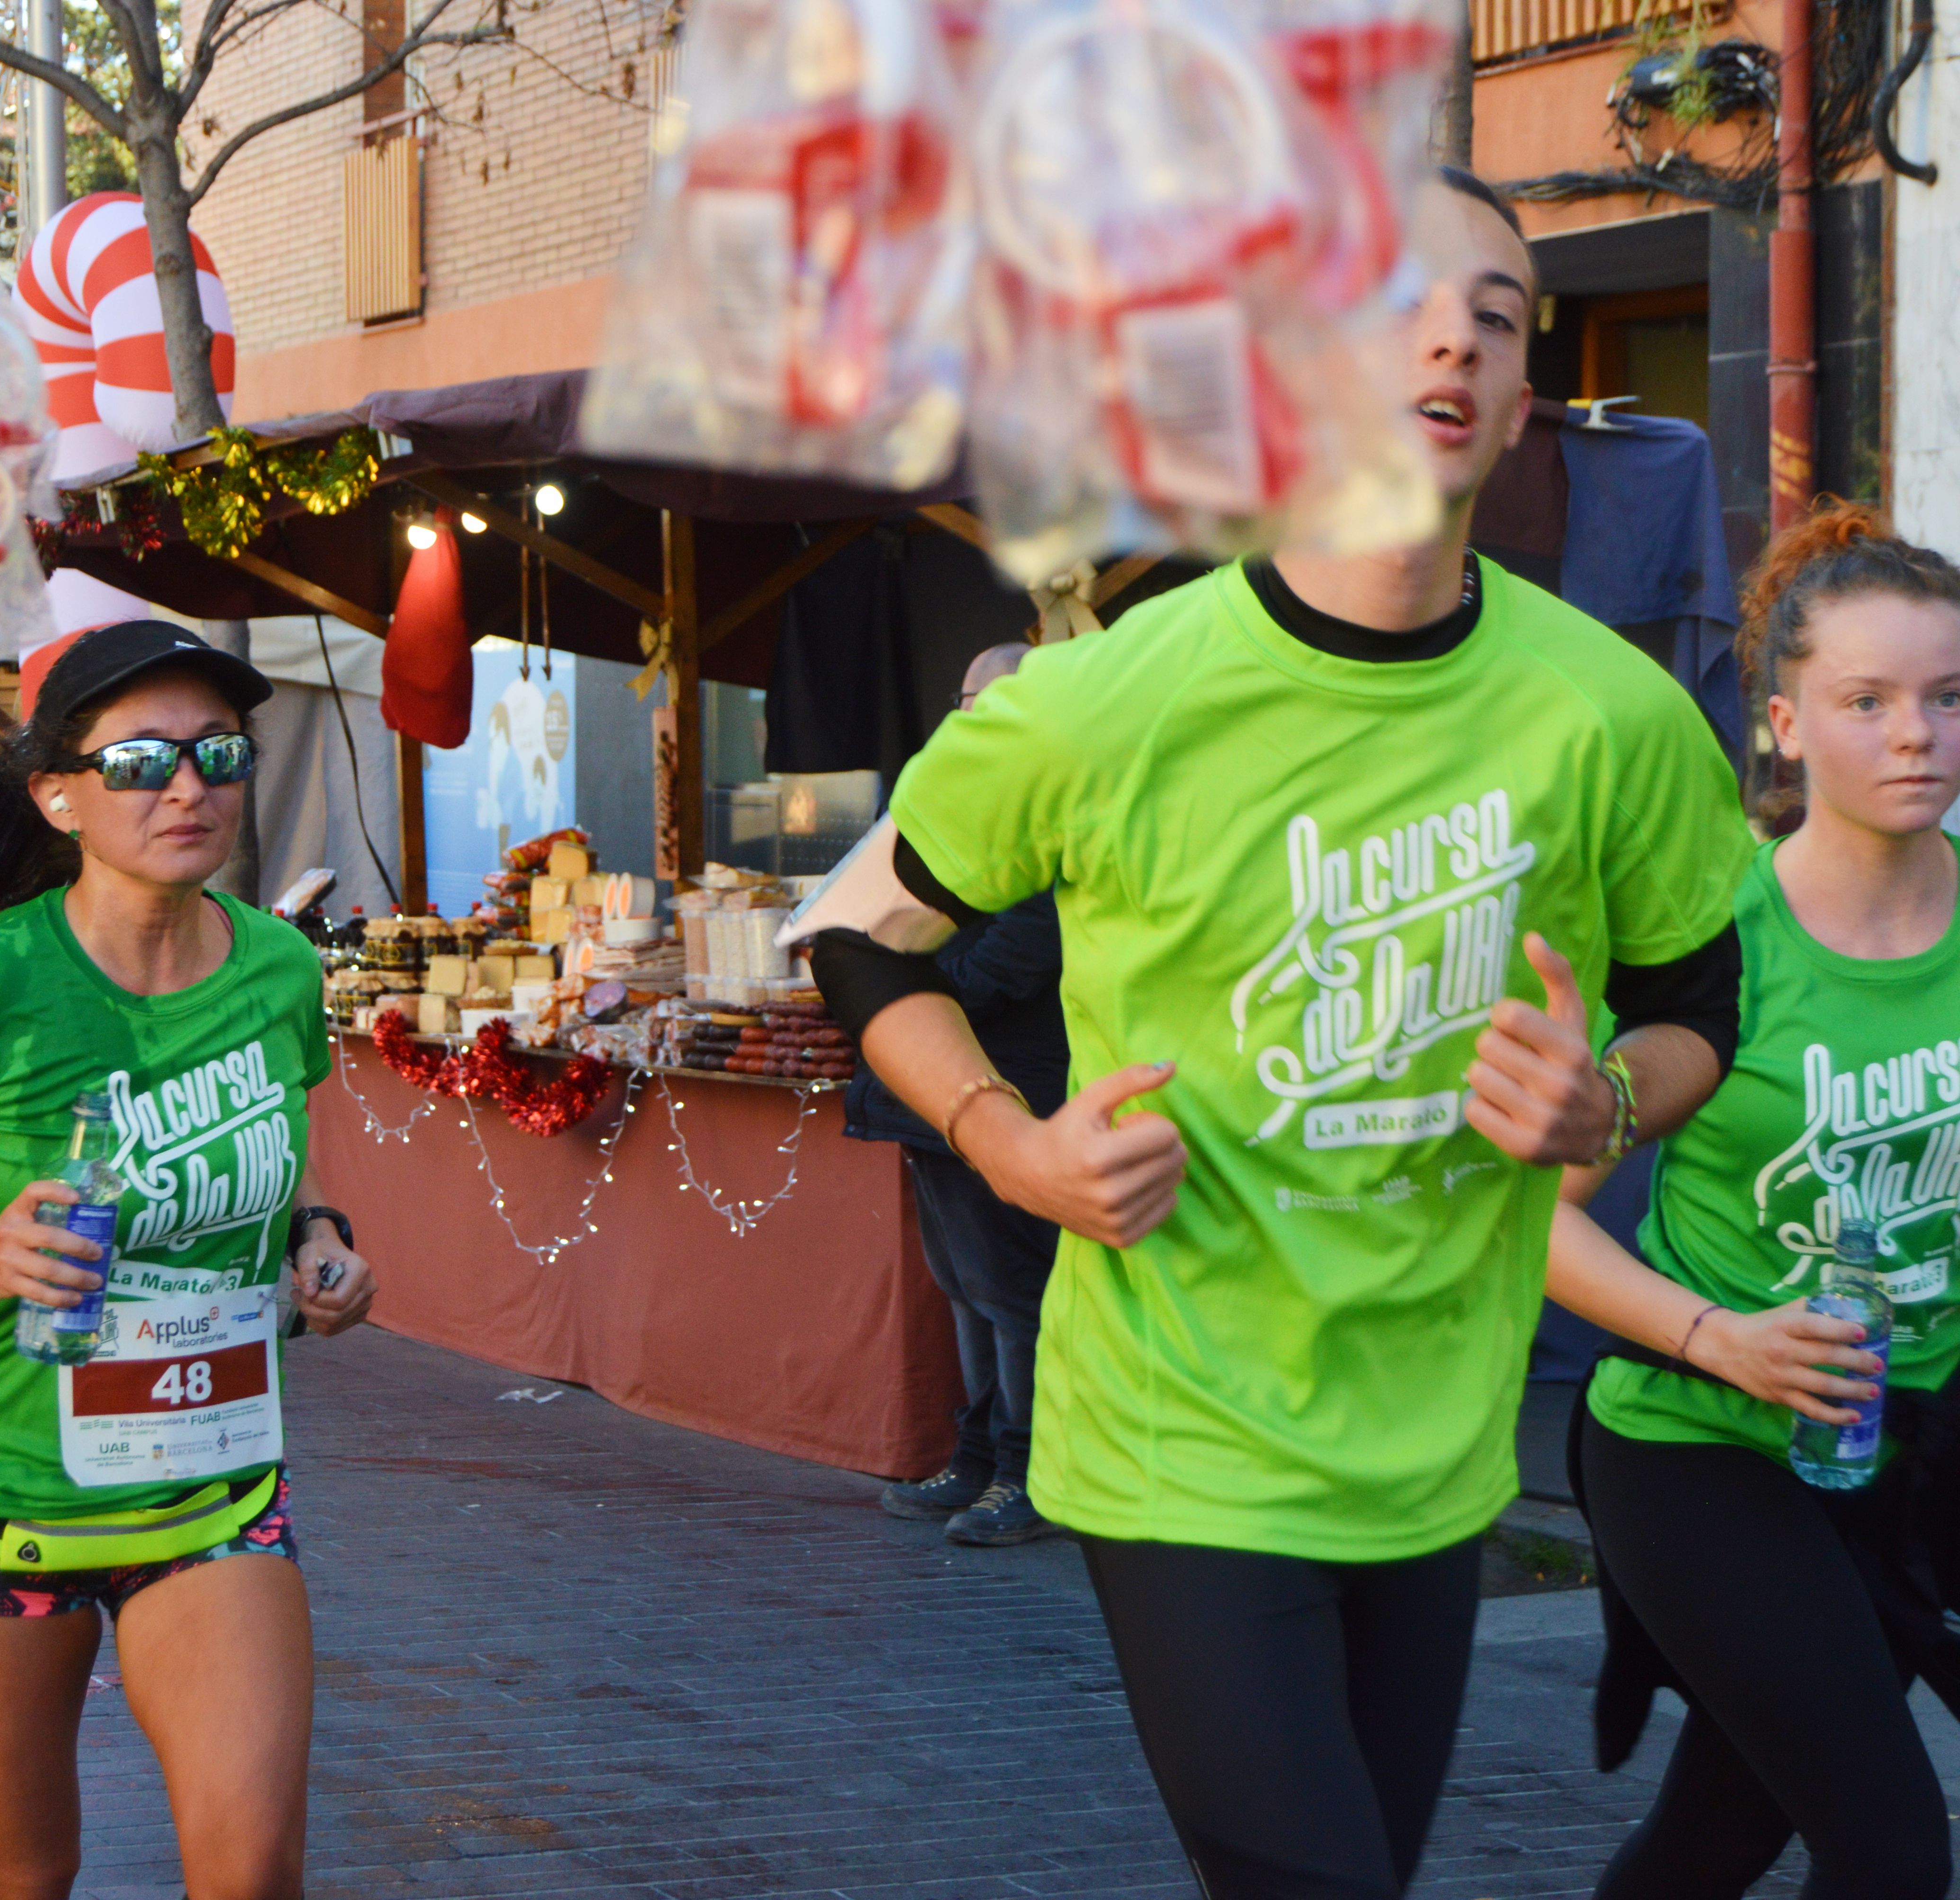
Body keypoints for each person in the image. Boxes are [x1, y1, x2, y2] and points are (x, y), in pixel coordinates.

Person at [807, 169, 1754, 1900]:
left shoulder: (1607, 714)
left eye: (1494, 316)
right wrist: (1010, 1142)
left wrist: (1604, 1101)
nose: (1450, 339)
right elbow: (862, 944)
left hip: (1434, 1436)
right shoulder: (1102, 700)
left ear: (1518, 401)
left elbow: (1700, 1006)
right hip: (1177, 1423)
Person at [0, 620, 380, 1900]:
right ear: (58, 794)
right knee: (20, 1875)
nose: (189, 787)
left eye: (219, 755)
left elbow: (283, 1144)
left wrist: (318, 1239)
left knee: (254, 1869)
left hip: (210, 1490)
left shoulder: (278, 967)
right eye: (142, 761)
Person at [1546, 505, 1960, 1900]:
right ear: (1782, 722)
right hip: (1697, 1443)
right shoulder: (1705, 936)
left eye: (1947, 696)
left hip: (1908, 1450)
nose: (1917, 733)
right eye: (1868, 701)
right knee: (1891, 1851)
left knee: (1717, 1834)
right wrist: (1718, 1333)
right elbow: (1528, 1223)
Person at [853, 640, 1069, 1547]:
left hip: (1006, 1092)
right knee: (961, 1288)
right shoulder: (934, 805)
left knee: (1011, 1292)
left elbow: (1006, 961)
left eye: (991, 699)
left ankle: (1030, 1478)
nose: (969, 714)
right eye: (964, 697)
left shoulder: (1053, 810)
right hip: (922, 1097)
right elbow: (864, 925)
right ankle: (977, 1458)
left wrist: (907, 967)